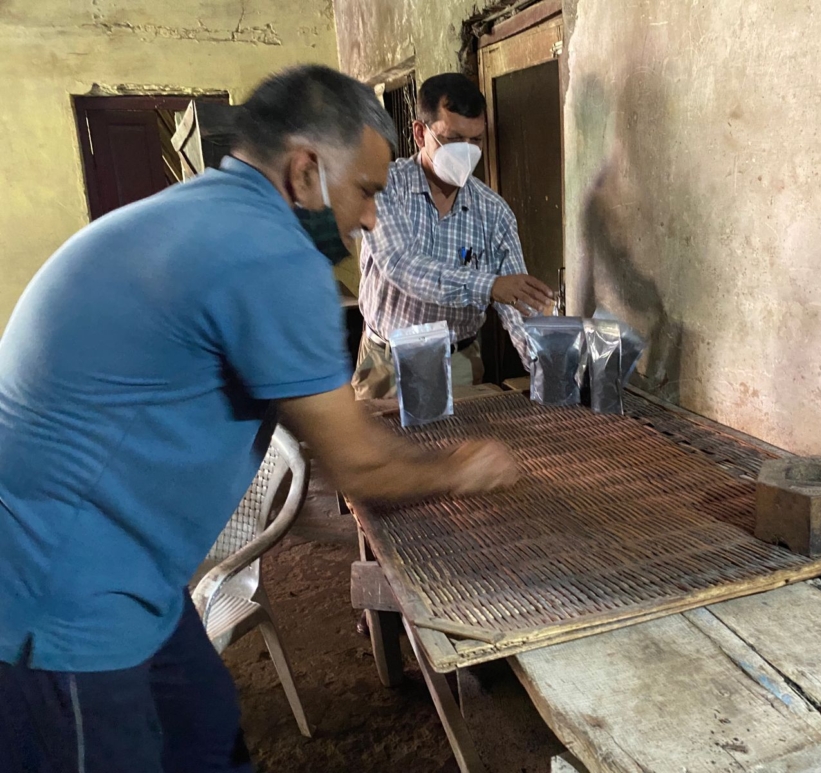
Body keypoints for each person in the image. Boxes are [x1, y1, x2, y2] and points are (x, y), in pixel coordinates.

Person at [0, 65, 518, 773]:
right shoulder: (271, 253)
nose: (371, 218)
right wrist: (463, 467)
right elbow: (357, 463)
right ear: (305, 171)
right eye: (366, 192)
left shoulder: (207, 213)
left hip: (126, 565)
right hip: (55, 592)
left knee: (205, 722)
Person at [352, 73, 554, 399]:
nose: (467, 152)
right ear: (421, 133)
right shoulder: (386, 187)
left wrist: (546, 367)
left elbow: (516, 304)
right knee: (377, 432)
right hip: (387, 363)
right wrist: (488, 285)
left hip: (458, 362)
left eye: (476, 140)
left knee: (462, 433)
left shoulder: (494, 212)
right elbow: (402, 266)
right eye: (454, 139)